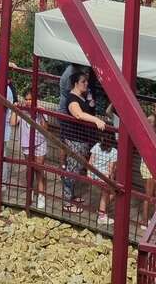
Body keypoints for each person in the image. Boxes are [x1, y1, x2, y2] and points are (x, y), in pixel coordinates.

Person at [59, 71, 105, 214]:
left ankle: (70, 196)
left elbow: (88, 110)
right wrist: (96, 120)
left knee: (76, 168)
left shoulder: (82, 97)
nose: (86, 84)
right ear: (75, 84)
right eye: (83, 82)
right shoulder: (73, 99)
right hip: (75, 138)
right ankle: (66, 202)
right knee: (73, 169)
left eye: (86, 81)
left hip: (82, 138)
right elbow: (78, 114)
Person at [17, 91, 47, 209]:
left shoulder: (41, 110)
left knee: (39, 169)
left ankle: (41, 195)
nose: (28, 102)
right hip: (26, 143)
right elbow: (13, 122)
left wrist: (40, 113)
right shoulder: (23, 110)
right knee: (29, 169)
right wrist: (15, 109)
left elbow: (45, 128)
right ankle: (30, 192)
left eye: (31, 99)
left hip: (39, 142)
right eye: (27, 99)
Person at [90, 132, 118, 226]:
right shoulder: (114, 151)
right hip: (104, 177)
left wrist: (89, 174)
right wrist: (112, 180)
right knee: (108, 194)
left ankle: (102, 210)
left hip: (94, 174)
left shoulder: (97, 146)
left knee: (108, 194)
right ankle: (101, 216)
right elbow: (110, 170)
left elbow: (90, 162)